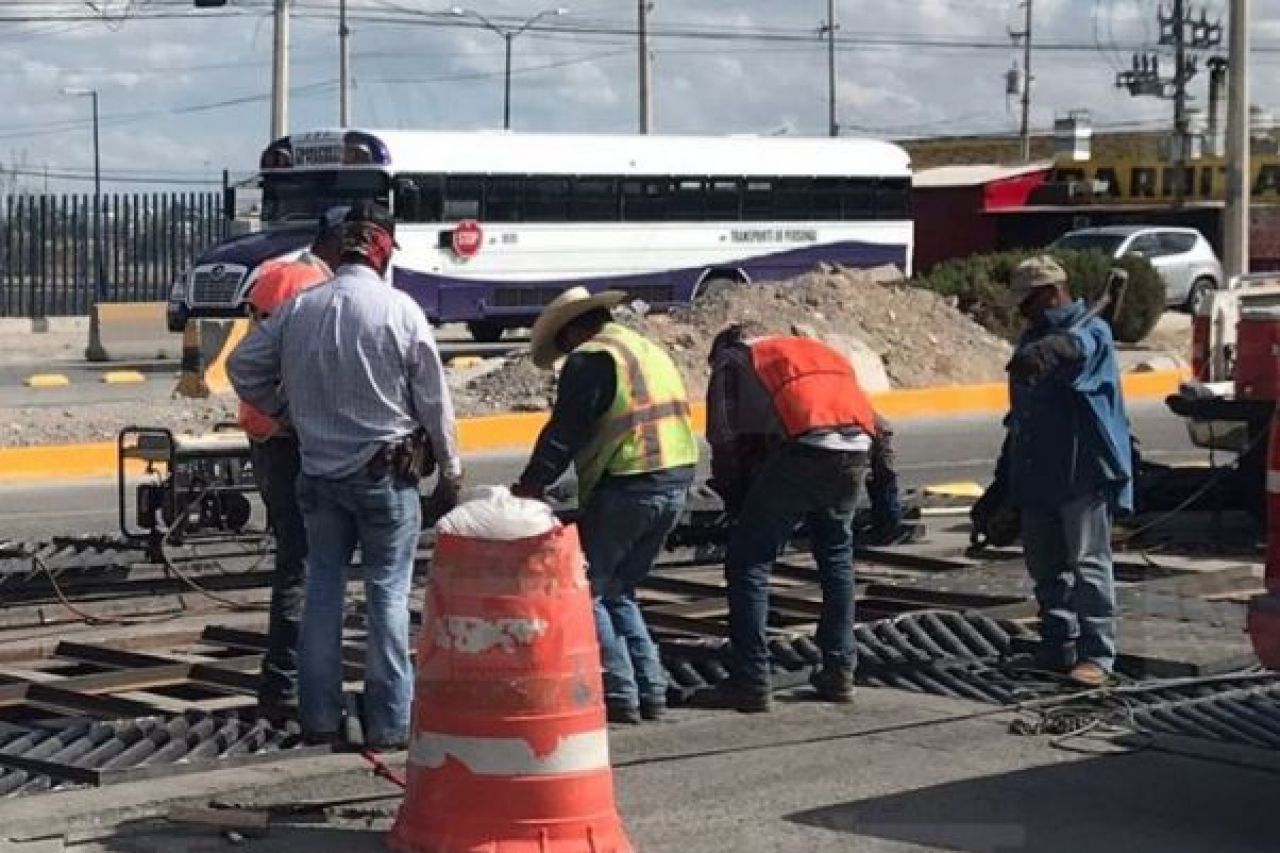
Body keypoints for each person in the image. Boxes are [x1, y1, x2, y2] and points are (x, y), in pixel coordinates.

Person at [229, 201, 463, 747]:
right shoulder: (399, 310)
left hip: (318, 477)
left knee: (322, 595)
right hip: (385, 478)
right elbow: (434, 400)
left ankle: (318, 718)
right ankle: (390, 723)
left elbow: (244, 369)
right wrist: (450, 471)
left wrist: (285, 414)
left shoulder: (301, 309)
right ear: (382, 252)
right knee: (386, 597)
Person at [512, 287, 699, 725]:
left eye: (564, 344)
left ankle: (620, 692)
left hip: (629, 480)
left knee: (589, 590)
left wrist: (533, 484)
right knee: (620, 591)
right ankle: (651, 691)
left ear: (575, 328)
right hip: (676, 477)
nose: (565, 354)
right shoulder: (644, 347)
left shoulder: (594, 357)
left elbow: (566, 429)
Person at [703, 323, 876, 713]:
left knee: (749, 563)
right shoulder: (817, 353)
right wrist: (887, 499)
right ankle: (839, 671)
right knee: (836, 558)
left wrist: (736, 499)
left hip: (804, 453)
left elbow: (725, 434)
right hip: (855, 451)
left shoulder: (734, 358)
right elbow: (879, 426)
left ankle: (751, 680)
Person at [1001, 256, 1132, 688]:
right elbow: (1018, 416)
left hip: (1081, 472)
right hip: (1039, 470)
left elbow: (1085, 350)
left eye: (1029, 301)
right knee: (1045, 566)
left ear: (1051, 293)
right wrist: (1005, 480)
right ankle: (1059, 643)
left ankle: (1098, 654)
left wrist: (1060, 348)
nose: (1023, 311)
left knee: (1088, 565)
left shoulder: (1092, 330)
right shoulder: (1032, 339)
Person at [234, 261, 329, 721]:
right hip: (290, 444)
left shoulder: (273, 278)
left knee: (296, 563)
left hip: (267, 441)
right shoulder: (311, 292)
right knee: (303, 567)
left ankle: (284, 681)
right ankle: (287, 685)